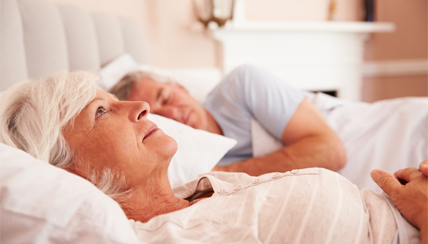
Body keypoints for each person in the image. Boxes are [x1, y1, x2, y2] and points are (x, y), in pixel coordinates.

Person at [0, 71, 425, 243]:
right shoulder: (176, 234)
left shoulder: (197, 192)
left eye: (114, 100)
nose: (143, 109)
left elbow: (330, 149)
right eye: (102, 111)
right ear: (73, 172)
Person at [108, 65, 347, 176]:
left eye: (166, 97)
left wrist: (222, 173)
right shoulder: (182, 163)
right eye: (159, 117)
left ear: (180, 86)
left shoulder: (242, 85)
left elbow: (331, 151)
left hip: (366, 133)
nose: (173, 114)